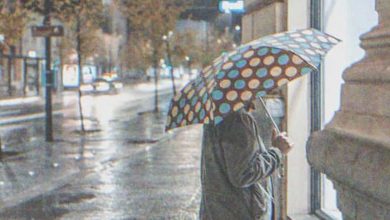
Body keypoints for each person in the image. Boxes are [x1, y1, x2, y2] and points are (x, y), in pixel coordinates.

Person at [200, 100, 293, 220]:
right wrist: (277, 152)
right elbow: (244, 173)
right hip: (238, 212)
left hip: (217, 210)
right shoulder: (238, 119)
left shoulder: (218, 113)